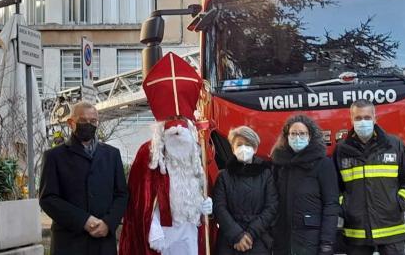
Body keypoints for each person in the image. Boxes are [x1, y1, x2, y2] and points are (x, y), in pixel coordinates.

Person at [118, 52, 213, 255]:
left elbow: (202, 183)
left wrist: (204, 204)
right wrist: (151, 227)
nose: (176, 126)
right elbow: (140, 198)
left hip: (189, 228)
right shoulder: (148, 152)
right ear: (161, 126)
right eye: (171, 118)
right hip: (162, 231)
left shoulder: (197, 150)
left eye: (180, 118)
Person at [333, 99, 405, 255]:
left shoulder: (393, 145)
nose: (363, 122)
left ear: (375, 118)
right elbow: (333, 186)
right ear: (351, 120)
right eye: (358, 118)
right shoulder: (342, 150)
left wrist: (400, 202)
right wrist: (345, 206)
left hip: (391, 230)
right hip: (357, 232)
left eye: (367, 118)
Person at [39, 101, 128, 255]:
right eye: (83, 121)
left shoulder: (112, 155)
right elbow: (48, 198)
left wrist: (108, 223)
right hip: (69, 244)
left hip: (103, 243)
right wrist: (84, 221)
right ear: (71, 123)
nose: (88, 124)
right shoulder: (54, 156)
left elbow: (121, 194)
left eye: (93, 121)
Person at [271, 114, 340, 255]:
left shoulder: (323, 164)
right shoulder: (279, 165)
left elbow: (331, 205)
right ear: (286, 137)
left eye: (302, 133)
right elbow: (272, 202)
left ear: (310, 136)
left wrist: (327, 243)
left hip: (311, 241)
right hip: (283, 242)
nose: (297, 137)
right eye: (293, 133)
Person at [213, 126, 278, 255]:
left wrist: (250, 234)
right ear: (232, 148)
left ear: (255, 148)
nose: (243, 148)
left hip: (258, 239)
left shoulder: (266, 174)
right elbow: (219, 207)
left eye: (248, 144)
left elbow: (272, 207)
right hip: (229, 241)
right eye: (239, 145)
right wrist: (237, 235)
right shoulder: (224, 176)